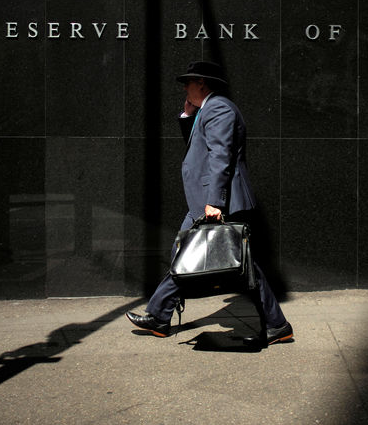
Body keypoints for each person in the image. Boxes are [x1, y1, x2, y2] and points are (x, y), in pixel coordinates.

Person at [125, 61, 293, 348]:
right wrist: (188, 115)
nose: (184, 88)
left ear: (201, 83)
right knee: (195, 257)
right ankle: (160, 316)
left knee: (235, 264)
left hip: (216, 202)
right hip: (205, 201)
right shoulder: (208, 110)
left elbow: (220, 156)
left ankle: (159, 316)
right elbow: (200, 147)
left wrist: (214, 202)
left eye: (188, 83)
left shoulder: (219, 108)